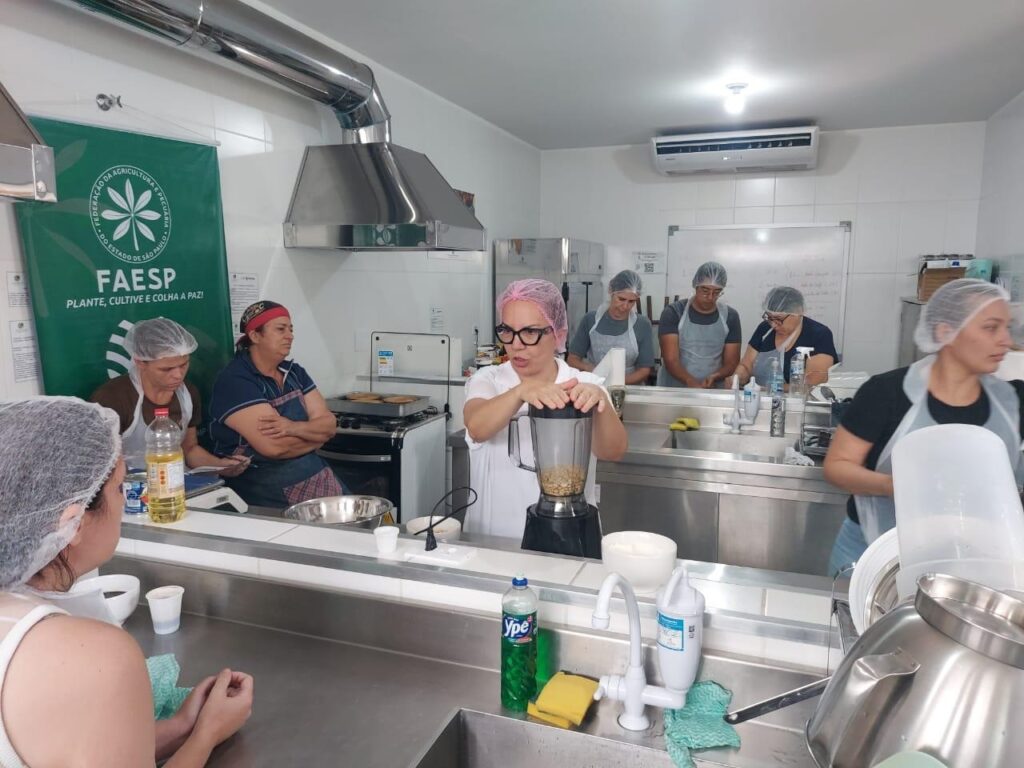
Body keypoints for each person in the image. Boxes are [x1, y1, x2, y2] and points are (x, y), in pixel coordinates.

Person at [0, 397, 254, 766]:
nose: (127, 502)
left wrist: (181, 725)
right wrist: (207, 732)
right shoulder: (96, 658)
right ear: (73, 523)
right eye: (120, 488)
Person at [824, 279, 1024, 576]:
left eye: (1008, 328)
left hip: (972, 558)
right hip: (875, 551)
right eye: (991, 327)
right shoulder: (886, 392)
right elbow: (837, 467)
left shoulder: (1014, 400)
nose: (1006, 341)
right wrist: (901, 487)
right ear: (946, 332)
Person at [464, 279, 628, 542]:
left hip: (566, 538)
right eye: (507, 331)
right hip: (492, 541)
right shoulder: (489, 380)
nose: (516, 344)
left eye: (529, 332)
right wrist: (520, 392)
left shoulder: (584, 384)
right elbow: (476, 426)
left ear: (557, 333)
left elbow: (614, 450)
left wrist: (600, 405)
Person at [208, 301, 343, 508]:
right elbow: (274, 447)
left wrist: (293, 428)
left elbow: (329, 426)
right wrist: (315, 437)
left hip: (314, 472)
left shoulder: (294, 372)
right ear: (255, 336)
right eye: (281, 329)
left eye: (290, 329)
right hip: (261, 484)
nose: (290, 336)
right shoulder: (236, 381)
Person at [91, 317, 248, 475]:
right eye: (166, 369)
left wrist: (221, 466)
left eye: (184, 365)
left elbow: (189, 449)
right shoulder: (112, 398)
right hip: (129, 489)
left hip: (175, 483)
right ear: (140, 362)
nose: (178, 375)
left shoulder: (188, 393)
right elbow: (98, 464)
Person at [657, 261, 741, 388]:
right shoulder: (674, 312)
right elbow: (671, 360)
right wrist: (690, 381)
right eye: (705, 290)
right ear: (696, 286)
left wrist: (715, 376)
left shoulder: (730, 316)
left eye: (717, 292)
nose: (710, 297)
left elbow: (732, 362)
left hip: (712, 388)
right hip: (675, 388)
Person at [735, 287, 838, 390]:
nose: (773, 325)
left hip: (799, 403)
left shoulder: (819, 334)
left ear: (798, 313)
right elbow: (746, 365)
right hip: (759, 399)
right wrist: (737, 377)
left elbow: (813, 383)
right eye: (770, 317)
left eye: (779, 319)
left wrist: (771, 389)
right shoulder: (765, 329)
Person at [567, 269, 655, 385]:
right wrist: (591, 370)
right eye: (621, 299)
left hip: (629, 388)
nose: (625, 306)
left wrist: (616, 384)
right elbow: (572, 360)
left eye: (631, 301)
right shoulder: (591, 320)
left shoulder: (642, 325)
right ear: (611, 291)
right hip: (595, 387)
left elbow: (644, 370)